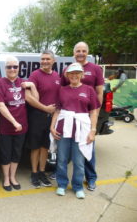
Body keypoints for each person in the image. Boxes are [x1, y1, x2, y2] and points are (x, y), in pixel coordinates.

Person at [50, 62, 99, 199]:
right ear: (67, 75)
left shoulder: (89, 90)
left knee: (78, 161)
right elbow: (58, 110)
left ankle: (77, 186)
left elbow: (93, 112)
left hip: (81, 130)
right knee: (62, 159)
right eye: (71, 73)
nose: (74, 75)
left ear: (82, 74)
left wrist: (93, 131)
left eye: (77, 73)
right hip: (63, 129)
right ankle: (61, 184)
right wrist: (52, 127)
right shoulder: (62, 90)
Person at [61, 41, 104, 191]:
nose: (80, 53)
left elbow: (99, 92)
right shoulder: (67, 69)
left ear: (87, 52)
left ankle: (91, 178)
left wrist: (95, 114)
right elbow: (63, 90)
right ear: (74, 53)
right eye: (78, 50)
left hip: (87, 115)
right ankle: (61, 176)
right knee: (67, 148)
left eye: (83, 51)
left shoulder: (96, 69)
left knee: (88, 149)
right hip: (71, 116)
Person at [0, 56, 35, 191]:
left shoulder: (23, 83)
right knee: (5, 153)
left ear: (19, 68)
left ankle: (13, 177)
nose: (12, 69)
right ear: (5, 69)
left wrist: (32, 85)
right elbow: (0, 105)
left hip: (22, 126)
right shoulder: (0, 83)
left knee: (17, 153)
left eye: (15, 67)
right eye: (9, 67)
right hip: (6, 127)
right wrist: (14, 122)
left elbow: (35, 100)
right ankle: (6, 178)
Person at [25, 50, 61, 188]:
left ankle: (42, 172)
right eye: (43, 59)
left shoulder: (57, 76)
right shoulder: (35, 75)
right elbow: (28, 97)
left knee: (45, 146)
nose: (45, 61)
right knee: (35, 147)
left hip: (51, 118)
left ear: (53, 61)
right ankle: (34, 173)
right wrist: (45, 108)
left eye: (48, 59)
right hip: (37, 115)